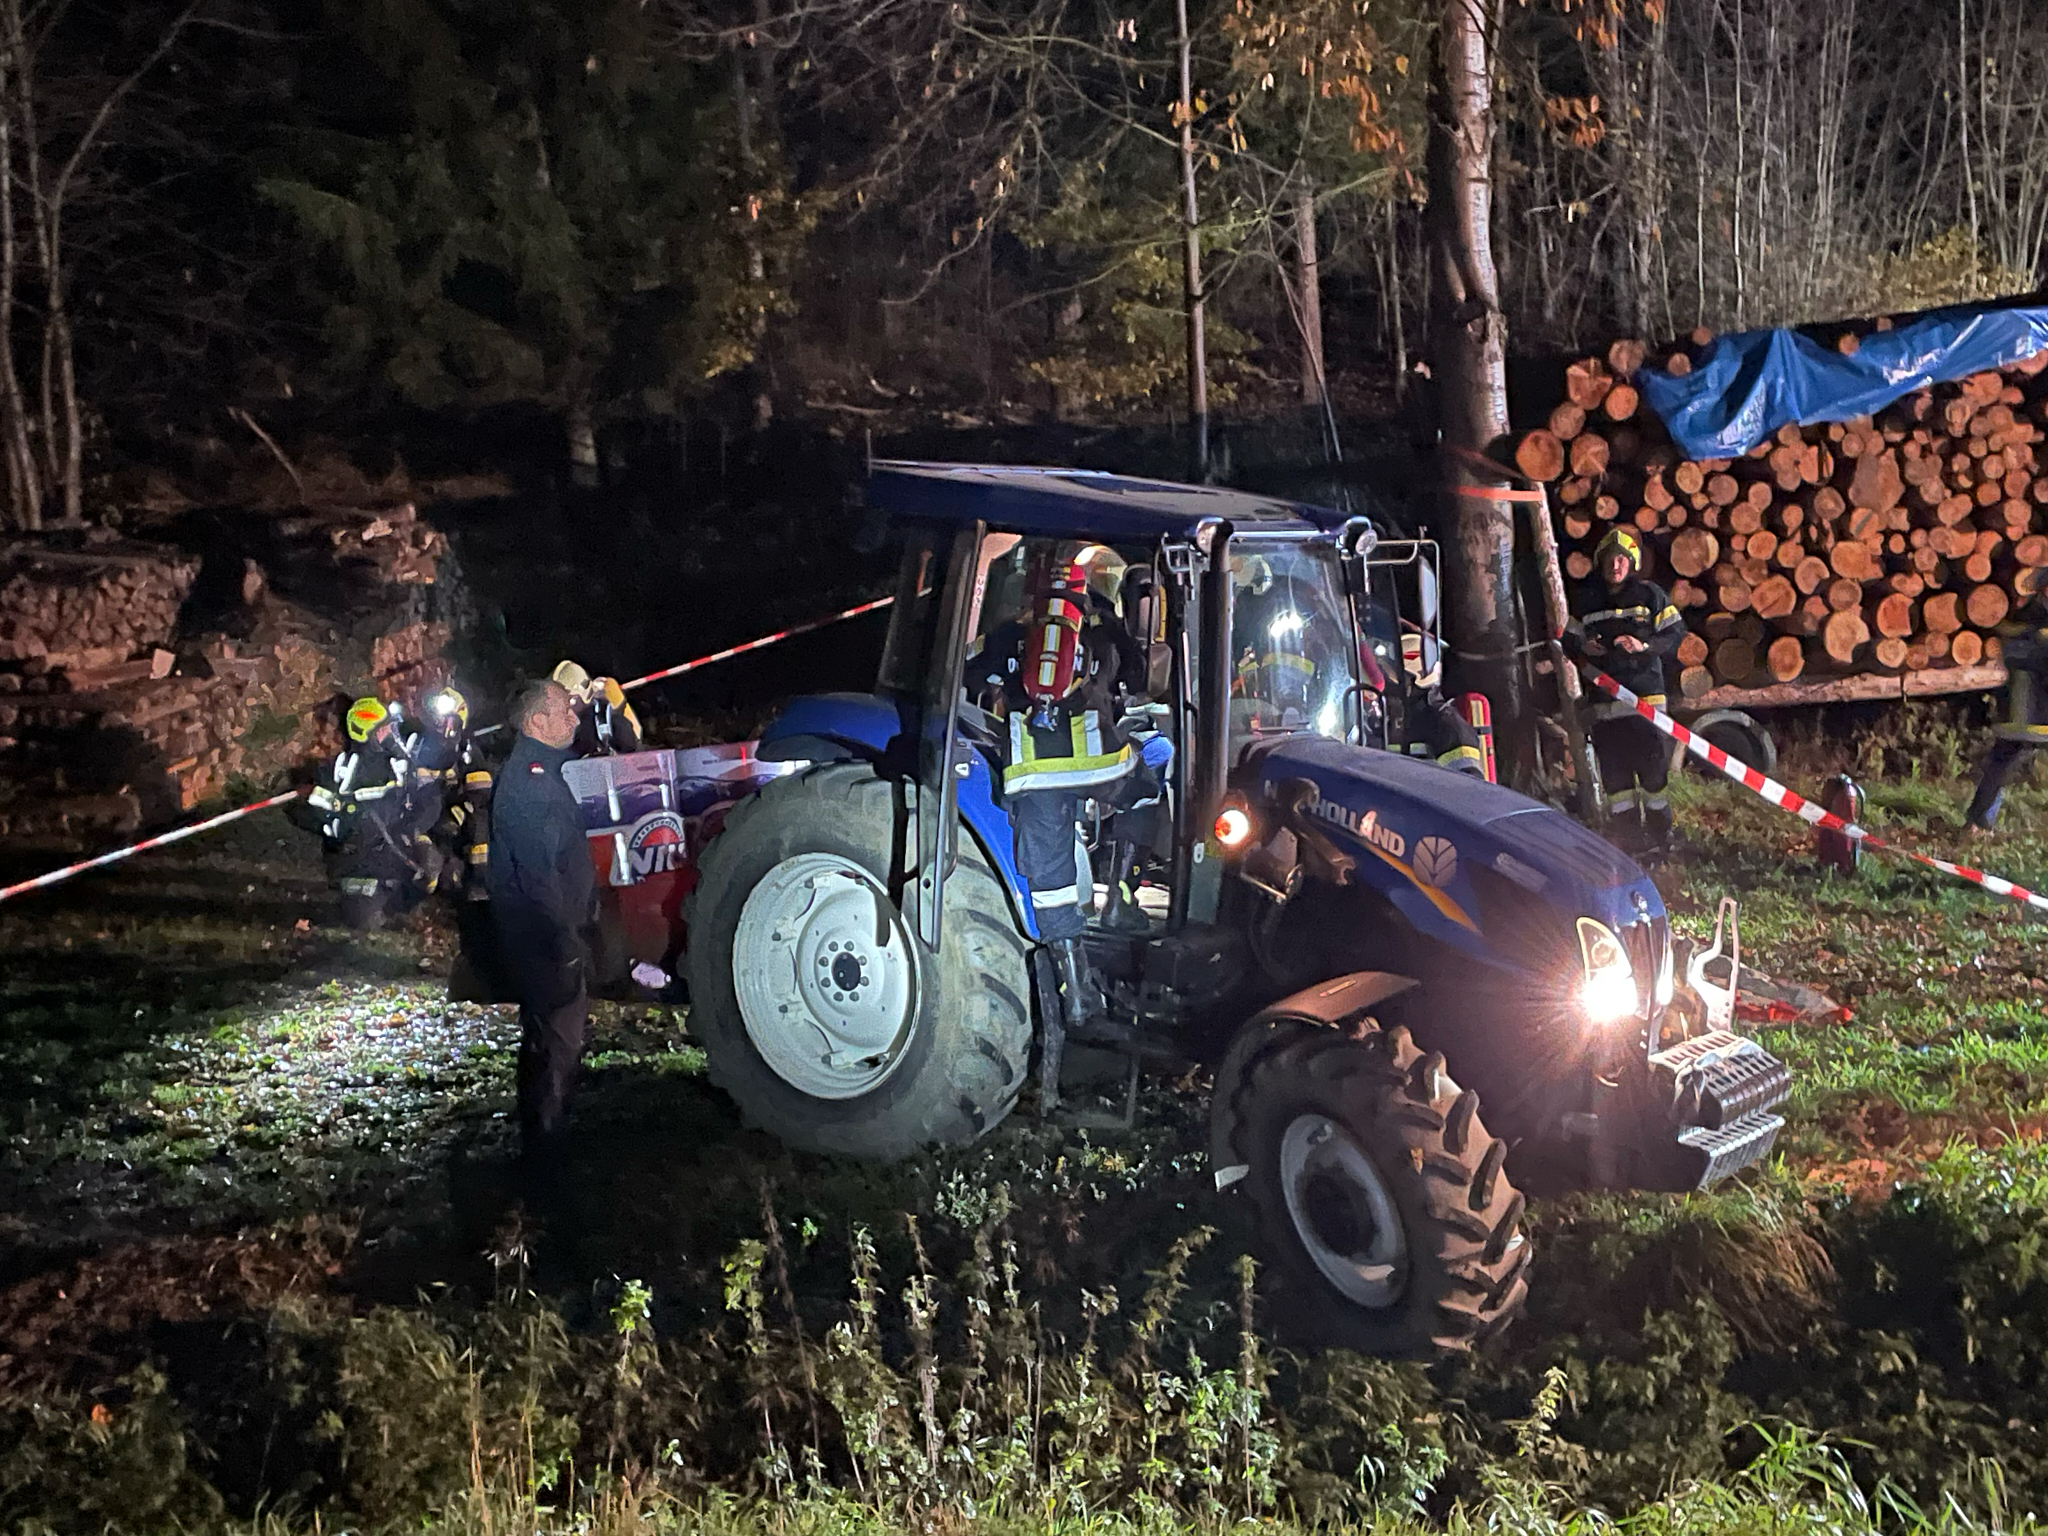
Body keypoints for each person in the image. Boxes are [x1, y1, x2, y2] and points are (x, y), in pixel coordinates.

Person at [984, 549, 1138, 1037]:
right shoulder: (1103, 631)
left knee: (1049, 877)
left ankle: (1077, 990)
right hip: (1098, 766)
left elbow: (973, 677)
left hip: (1035, 773)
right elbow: (1139, 677)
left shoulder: (1012, 633)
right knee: (1150, 780)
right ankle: (1121, 899)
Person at [488, 678, 597, 1159]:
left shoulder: (543, 772)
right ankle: (545, 1148)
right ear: (536, 723)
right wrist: (564, 936)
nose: (573, 717)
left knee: (551, 1032)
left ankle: (544, 1135)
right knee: (556, 1036)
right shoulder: (531, 783)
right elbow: (539, 872)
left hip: (544, 931)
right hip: (543, 936)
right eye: (563, 710)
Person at [1565, 528, 1686, 850]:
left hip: (1645, 705)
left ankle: (1661, 838)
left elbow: (1675, 633)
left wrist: (1643, 645)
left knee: (1653, 778)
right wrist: (1583, 647)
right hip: (1604, 708)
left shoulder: (1650, 595)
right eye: (1610, 558)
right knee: (1616, 783)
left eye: (1622, 559)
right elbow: (1568, 640)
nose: (1615, 565)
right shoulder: (1587, 600)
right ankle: (1630, 844)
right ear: (1601, 562)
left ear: (1631, 563)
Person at [291, 695, 446, 928]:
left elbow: (428, 797)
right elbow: (315, 816)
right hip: (357, 860)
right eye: (385, 730)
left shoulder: (398, 764)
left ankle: (396, 905)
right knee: (365, 918)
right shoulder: (341, 771)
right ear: (368, 733)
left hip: (392, 852)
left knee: (435, 868)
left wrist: (417, 834)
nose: (392, 734)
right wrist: (339, 813)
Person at [1965, 591, 2048, 832]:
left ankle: (1979, 822)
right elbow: (2014, 651)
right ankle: (1979, 823)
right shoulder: (2024, 621)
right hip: (2023, 712)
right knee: (2002, 761)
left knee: (2002, 760)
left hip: (2028, 712)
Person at [551, 660, 643, 755]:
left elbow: (631, 746)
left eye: (569, 700)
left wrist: (615, 704)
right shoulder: (568, 724)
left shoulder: (605, 712)